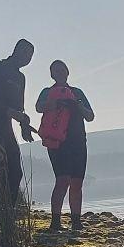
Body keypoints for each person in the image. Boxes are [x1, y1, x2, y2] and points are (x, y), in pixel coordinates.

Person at [36, 59, 95, 233]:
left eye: (62, 70)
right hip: (57, 142)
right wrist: (54, 104)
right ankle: (55, 222)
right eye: (56, 71)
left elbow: (90, 116)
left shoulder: (77, 92)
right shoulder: (47, 92)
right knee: (62, 181)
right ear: (52, 74)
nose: (60, 73)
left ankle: (76, 222)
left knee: (77, 182)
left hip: (78, 141)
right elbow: (38, 107)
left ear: (67, 72)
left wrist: (77, 105)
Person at [0, 38, 36, 198]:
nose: (28, 58)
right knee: (2, 168)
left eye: (31, 56)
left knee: (16, 172)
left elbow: (19, 108)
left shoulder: (20, 78)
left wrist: (24, 124)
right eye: (26, 53)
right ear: (17, 50)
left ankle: (7, 215)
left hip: (6, 127)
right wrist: (8, 111)